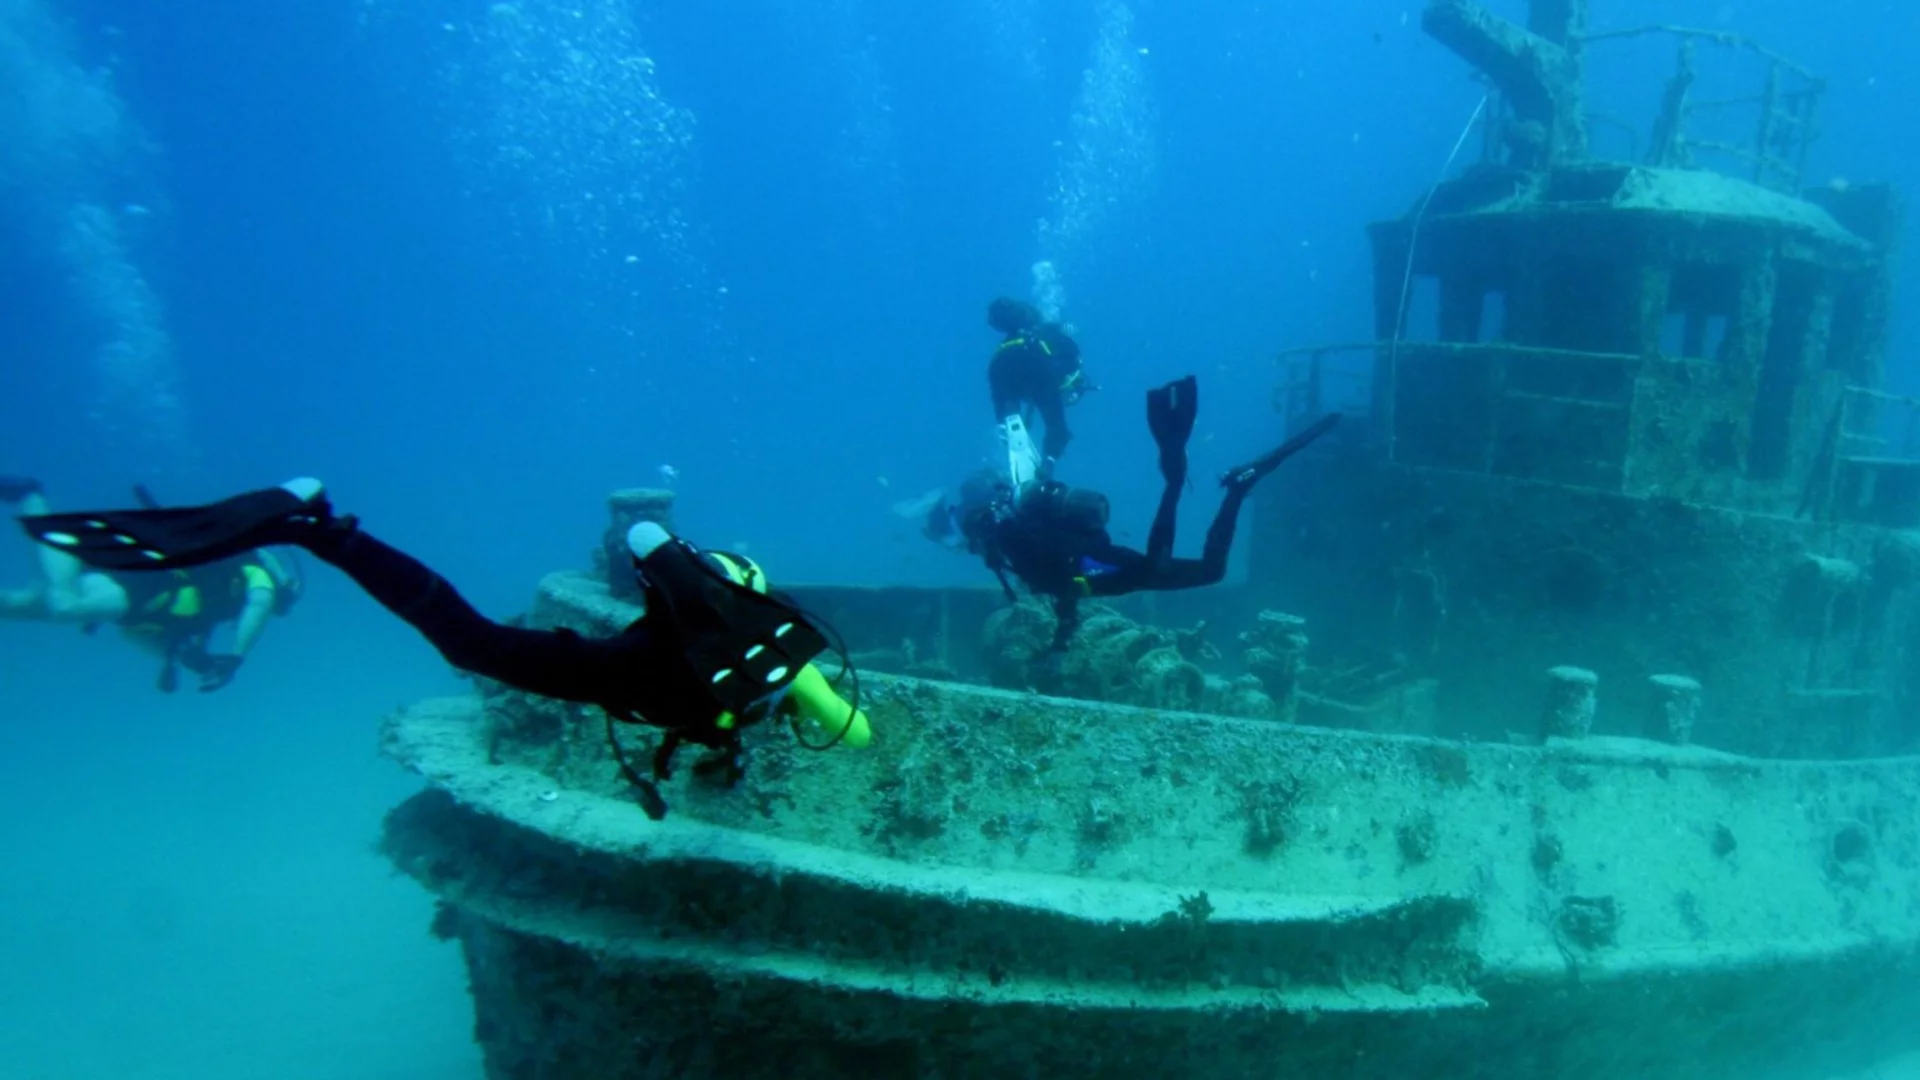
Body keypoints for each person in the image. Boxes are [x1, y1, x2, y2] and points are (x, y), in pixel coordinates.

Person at [15, 478, 871, 819]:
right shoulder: (785, 657)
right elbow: (857, 736)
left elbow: (650, 542)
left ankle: (325, 531)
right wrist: (801, 696)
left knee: (468, 639)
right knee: (472, 643)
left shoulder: (681, 626)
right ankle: (320, 531)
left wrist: (658, 550)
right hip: (645, 683)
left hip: (623, 674)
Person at [939, 376, 1340, 654]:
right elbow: (1058, 581)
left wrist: (1075, 578)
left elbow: (1054, 566)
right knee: (1210, 571)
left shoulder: (1007, 535)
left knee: (1154, 567)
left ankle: (1175, 480)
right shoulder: (1009, 532)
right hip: (1095, 569)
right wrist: (1063, 632)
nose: (971, 551)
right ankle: (1237, 487)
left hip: (1096, 567)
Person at [1, 476, 302, 692]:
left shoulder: (216, 613)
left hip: (133, 601)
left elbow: (134, 635)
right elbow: (260, 605)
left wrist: (186, 657)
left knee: (15, 606)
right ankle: (31, 498)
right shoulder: (254, 570)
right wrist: (237, 657)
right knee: (65, 605)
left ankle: (32, 501)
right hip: (140, 585)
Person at [986, 297, 1093, 469]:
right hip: (1036, 370)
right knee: (1056, 425)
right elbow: (1072, 362)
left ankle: (1005, 424)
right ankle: (1048, 465)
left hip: (1001, 364)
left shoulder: (1007, 345)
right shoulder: (1052, 334)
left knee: (1005, 401)